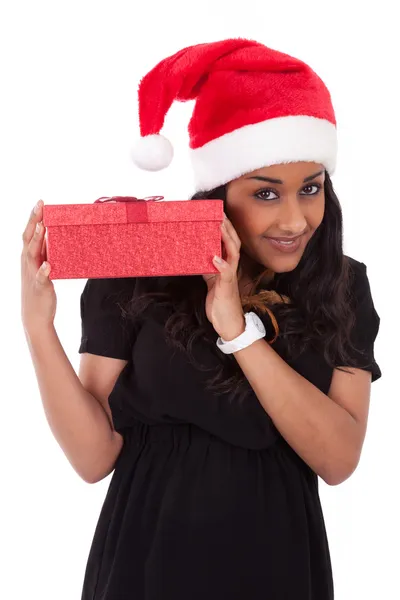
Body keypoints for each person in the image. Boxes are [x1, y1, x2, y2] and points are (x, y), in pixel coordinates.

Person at [21, 38, 382, 600]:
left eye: (311, 188)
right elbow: (94, 459)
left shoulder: (341, 284)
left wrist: (237, 331)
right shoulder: (138, 266)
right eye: (266, 193)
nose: (295, 219)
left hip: (278, 562)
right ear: (219, 191)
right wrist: (39, 326)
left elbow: (338, 459)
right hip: (146, 560)